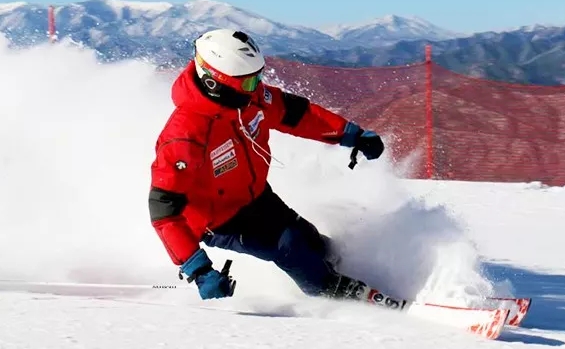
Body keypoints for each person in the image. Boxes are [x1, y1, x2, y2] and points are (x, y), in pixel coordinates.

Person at [148, 28, 402, 307]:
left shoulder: (248, 97)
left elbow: (296, 114)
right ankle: (332, 294)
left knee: (311, 241)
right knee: (289, 247)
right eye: (247, 82)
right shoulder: (186, 135)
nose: (257, 85)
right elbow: (163, 212)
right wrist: (199, 270)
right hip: (219, 222)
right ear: (214, 82)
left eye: (258, 76)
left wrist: (350, 134)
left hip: (255, 197)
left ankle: (340, 268)